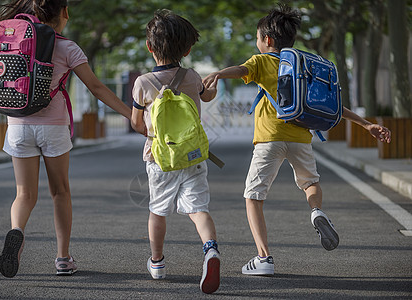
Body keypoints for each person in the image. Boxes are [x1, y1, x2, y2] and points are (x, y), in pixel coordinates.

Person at [203, 3, 391, 276]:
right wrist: (365, 124)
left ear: (267, 40)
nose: (257, 43)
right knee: (311, 183)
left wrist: (219, 73)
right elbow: (333, 104)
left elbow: (242, 71)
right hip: (302, 137)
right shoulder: (304, 64)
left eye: (257, 38)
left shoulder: (261, 61)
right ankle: (316, 212)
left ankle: (263, 258)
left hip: (269, 139)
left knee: (253, 197)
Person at [0, 0, 131, 277]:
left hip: (17, 125)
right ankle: (63, 258)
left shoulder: (16, 42)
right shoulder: (67, 47)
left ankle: (17, 231)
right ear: (64, 12)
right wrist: (133, 116)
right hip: (53, 127)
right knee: (60, 192)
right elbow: (98, 88)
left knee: (24, 194)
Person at [130, 9, 220, 294]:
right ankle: (210, 250)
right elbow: (207, 96)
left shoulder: (142, 83)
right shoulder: (192, 77)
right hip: (193, 156)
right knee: (198, 209)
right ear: (188, 49)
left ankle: (157, 262)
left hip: (159, 158)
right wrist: (211, 88)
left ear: (149, 46)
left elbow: (136, 124)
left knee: (158, 210)